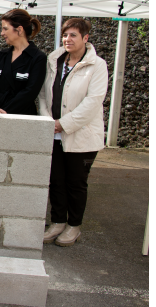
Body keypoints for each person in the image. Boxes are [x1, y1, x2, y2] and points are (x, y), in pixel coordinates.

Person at [38, 18, 108, 247]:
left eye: (73, 35)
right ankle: (57, 221)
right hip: (53, 131)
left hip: (82, 135)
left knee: (76, 182)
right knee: (55, 180)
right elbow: (42, 95)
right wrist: (48, 119)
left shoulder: (97, 66)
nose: (67, 39)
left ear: (86, 38)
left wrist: (62, 124)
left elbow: (93, 103)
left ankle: (73, 225)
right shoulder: (54, 60)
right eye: (65, 35)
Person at [0, 9, 46, 115]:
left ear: (19, 30)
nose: (2, 33)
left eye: (5, 29)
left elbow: (30, 92)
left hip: (20, 118)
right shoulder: (2, 55)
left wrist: (4, 112)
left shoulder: (37, 58)